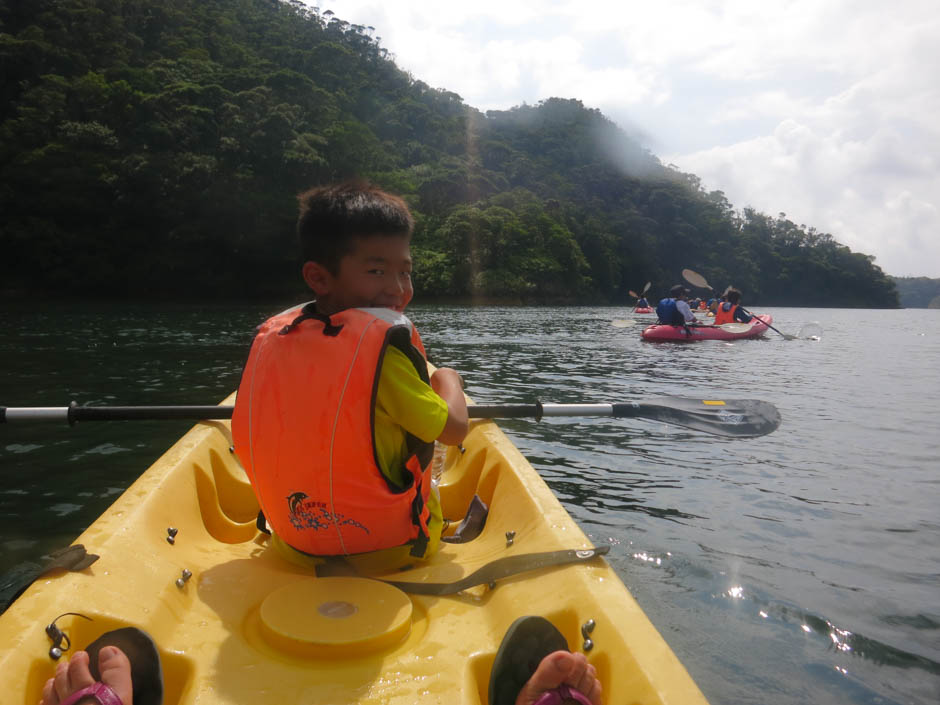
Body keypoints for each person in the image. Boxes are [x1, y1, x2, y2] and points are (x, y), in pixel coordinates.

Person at [231, 181, 468, 569]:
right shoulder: (382, 357)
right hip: (390, 549)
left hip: (293, 545)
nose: (397, 289)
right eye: (377, 270)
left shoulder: (279, 337)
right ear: (319, 278)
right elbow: (455, 430)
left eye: (404, 272)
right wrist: (447, 379)